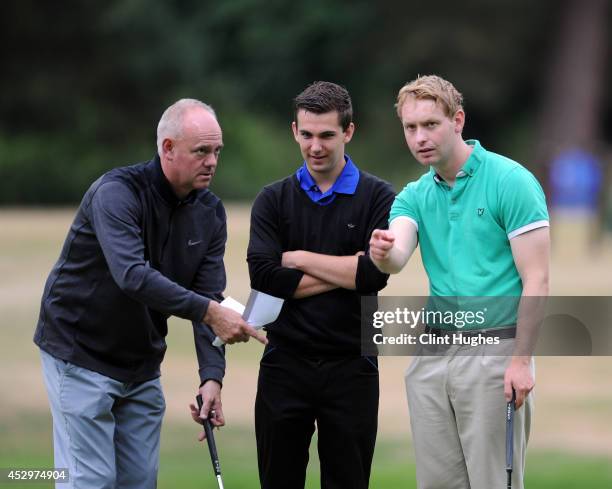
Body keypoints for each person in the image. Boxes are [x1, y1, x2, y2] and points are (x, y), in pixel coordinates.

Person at [34, 98, 264, 489]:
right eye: (201, 151)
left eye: (217, 151)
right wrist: (210, 311)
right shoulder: (116, 193)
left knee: (139, 482)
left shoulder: (209, 212)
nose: (212, 161)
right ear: (168, 148)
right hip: (80, 353)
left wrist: (212, 377)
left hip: (140, 365)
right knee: (92, 480)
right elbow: (132, 276)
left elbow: (208, 293)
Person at [369, 75, 550, 489]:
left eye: (430, 124)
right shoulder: (413, 195)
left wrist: (521, 361)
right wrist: (384, 253)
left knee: (493, 482)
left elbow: (537, 280)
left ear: (458, 120)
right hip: (432, 354)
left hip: (496, 351)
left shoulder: (511, 181)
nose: (420, 137)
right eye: (410, 128)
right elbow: (398, 253)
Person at [247, 81, 395, 489]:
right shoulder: (272, 200)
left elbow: (373, 276)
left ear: (348, 132)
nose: (316, 146)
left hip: (353, 364)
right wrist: (347, 271)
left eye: (327, 135)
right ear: (295, 130)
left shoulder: (379, 197)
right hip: (284, 362)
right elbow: (263, 276)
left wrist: (297, 258)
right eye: (307, 134)